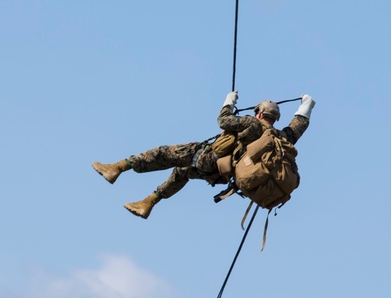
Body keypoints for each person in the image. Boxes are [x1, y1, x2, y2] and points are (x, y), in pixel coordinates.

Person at [92, 92, 315, 219]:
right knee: (181, 173)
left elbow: (222, 120)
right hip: (220, 175)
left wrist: (229, 102)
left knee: (163, 154)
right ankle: (148, 203)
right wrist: (307, 104)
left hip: (208, 158)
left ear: (258, 112)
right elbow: (299, 124)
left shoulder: (250, 123)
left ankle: (117, 168)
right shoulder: (282, 137)